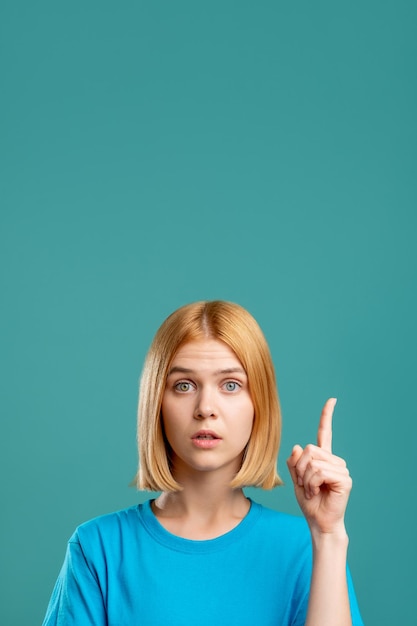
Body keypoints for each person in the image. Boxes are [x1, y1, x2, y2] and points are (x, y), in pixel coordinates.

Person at [42, 300, 363, 625]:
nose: (205, 407)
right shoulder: (98, 548)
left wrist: (329, 536)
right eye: (183, 386)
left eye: (231, 385)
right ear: (156, 403)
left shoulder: (307, 547)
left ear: (259, 404)